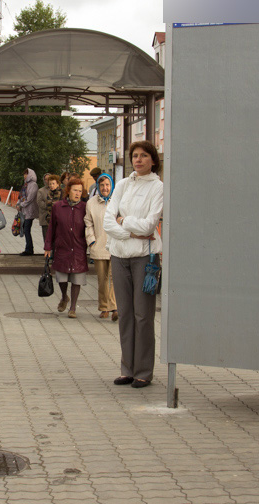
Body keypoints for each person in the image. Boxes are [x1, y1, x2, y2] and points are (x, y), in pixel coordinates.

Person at [104, 141, 163, 389]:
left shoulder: (158, 187)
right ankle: (126, 369)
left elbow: (150, 225)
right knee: (125, 315)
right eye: (135, 156)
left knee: (143, 316)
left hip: (144, 258)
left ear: (153, 160)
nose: (138, 160)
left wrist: (124, 220)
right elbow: (108, 221)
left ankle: (143, 371)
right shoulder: (123, 185)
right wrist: (130, 232)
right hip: (119, 256)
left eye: (143, 156)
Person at [44, 177, 88, 318]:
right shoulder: (58, 206)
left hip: (78, 248)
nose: (77, 193)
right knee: (62, 278)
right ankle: (64, 297)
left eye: (80, 191)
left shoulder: (85, 208)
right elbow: (51, 228)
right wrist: (48, 247)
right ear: (68, 191)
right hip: (62, 247)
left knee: (77, 279)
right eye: (75, 190)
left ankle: (73, 307)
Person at [85, 173, 117, 320]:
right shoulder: (91, 203)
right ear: (98, 186)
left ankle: (114, 307)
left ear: (112, 186)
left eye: (107, 185)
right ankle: (104, 307)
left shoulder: (118, 202)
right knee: (102, 279)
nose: (105, 188)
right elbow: (88, 223)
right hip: (98, 246)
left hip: (115, 246)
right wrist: (91, 240)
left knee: (114, 278)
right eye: (102, 185)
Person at [16, 168, 38, 256]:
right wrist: (18, 204)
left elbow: (30, 199)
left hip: (30, 211)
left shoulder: (33, 185)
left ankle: (29, 249)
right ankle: (29, 248)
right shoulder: (25, 185)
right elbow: (20, 196)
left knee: (26, 229)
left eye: (26, 174)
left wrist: (21, 205)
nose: (24, 176)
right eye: (24, 174)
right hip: (24, 211)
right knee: (25, 229)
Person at [36, 174, 63, 246]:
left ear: (57, 184)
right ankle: (48, 254)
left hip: (58, 219)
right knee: (47, 238)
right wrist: (49, 207)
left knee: (57, 239)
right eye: (50, 183)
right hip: (47, 218)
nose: (51, 185)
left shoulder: (61, 193)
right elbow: (39, 202)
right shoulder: (45, 192)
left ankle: (54, 254)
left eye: (53, 183)